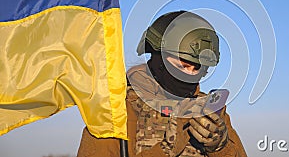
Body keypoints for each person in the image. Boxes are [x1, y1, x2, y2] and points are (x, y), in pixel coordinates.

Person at [77, 11, 247, 157]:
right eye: (183, 64)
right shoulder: (116, 110)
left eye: (198, 67)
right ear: (158, 58)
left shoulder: (208, 111)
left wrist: (221, 148)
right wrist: (165, 149)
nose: (190, 74)